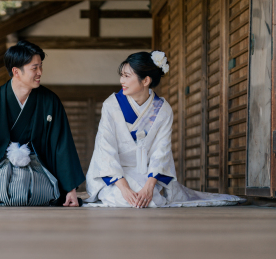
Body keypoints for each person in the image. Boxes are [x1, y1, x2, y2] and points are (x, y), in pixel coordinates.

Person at [85, 51, 244, 208]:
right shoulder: (111, 105)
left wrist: (149, 187)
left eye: (127, 76)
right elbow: (105, 149)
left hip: (145, 174)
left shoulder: (162, 109)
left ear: (146, 80)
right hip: (116, 175)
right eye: (122, 75)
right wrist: (125, 189)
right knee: (124, 198)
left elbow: (162, 150)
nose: (121, 80)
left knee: (151, 198)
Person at [0, 40, 85, 206]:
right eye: (34, 68)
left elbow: (61, 145)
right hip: (0, 171)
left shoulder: (50, 101)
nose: (40, 72)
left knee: (40, 194)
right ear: (16, 71)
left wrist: (70, 190)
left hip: (39, 172)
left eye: (40, 66)